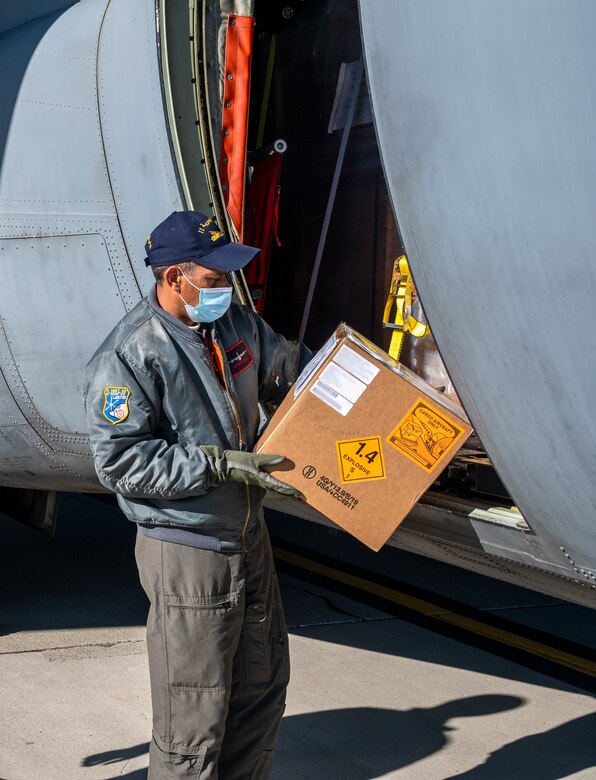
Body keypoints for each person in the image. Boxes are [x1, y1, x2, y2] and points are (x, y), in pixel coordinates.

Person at [84, 210, 311, 780]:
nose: (226, 291)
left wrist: (352, 383)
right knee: (194, 719)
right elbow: (119, 461)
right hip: (187, 549)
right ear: (173, 278)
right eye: (213, 281)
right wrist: (217, 465)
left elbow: (289, 366)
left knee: (261, 691)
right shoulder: (131, 355)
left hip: (245, 536)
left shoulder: (235, 325)